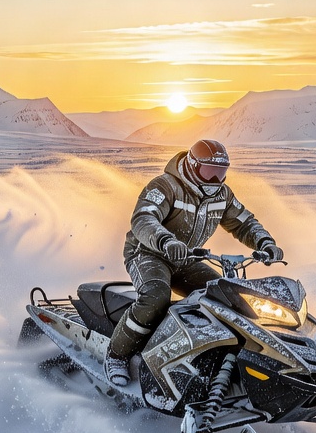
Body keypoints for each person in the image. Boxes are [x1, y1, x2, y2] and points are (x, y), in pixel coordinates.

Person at [106, 139, 282, 386]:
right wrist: (166, 241)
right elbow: (144, 218)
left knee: (225, 298)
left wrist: (265, 242)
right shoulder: (165, 186)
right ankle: (117, 355)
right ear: (192, 165)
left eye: (219, 172)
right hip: (149, 253)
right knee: (156, 298)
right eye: (208, 171)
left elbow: (243, 222)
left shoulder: (223, 194)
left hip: (186, 259)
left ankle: (211, 359)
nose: (214, 179)